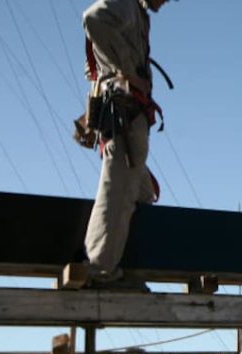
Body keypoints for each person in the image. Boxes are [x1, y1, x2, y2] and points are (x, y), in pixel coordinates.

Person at [79, 0, 172, 288]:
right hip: (124, 113)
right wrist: (125, 71)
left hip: (128, 113)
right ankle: (101, 270)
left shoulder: (138, 14)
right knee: (119, 188)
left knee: (141, 191)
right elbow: (93, 19)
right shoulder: (127, 5)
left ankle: (131, 268)